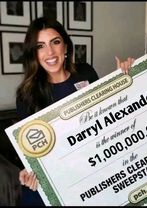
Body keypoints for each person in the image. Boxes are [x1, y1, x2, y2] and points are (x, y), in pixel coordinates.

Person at [15, 16, 134, 205]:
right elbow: (30, 150)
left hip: (95, 165)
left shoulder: (86, 73)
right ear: (34, 54)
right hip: (58, 175)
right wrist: (28, 170)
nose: (50, 52)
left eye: (55, 42)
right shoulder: (26, 94)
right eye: (40, 46)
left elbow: (110, 113)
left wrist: (127, 78)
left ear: (66, 47)